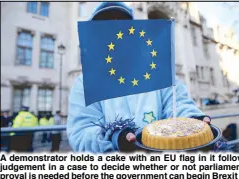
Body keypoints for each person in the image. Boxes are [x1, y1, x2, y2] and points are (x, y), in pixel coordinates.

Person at [67, 2, 211, 153]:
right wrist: (116, 138)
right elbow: (81, 133)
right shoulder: (84, 83)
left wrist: (192, 121)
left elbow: (178, 104)